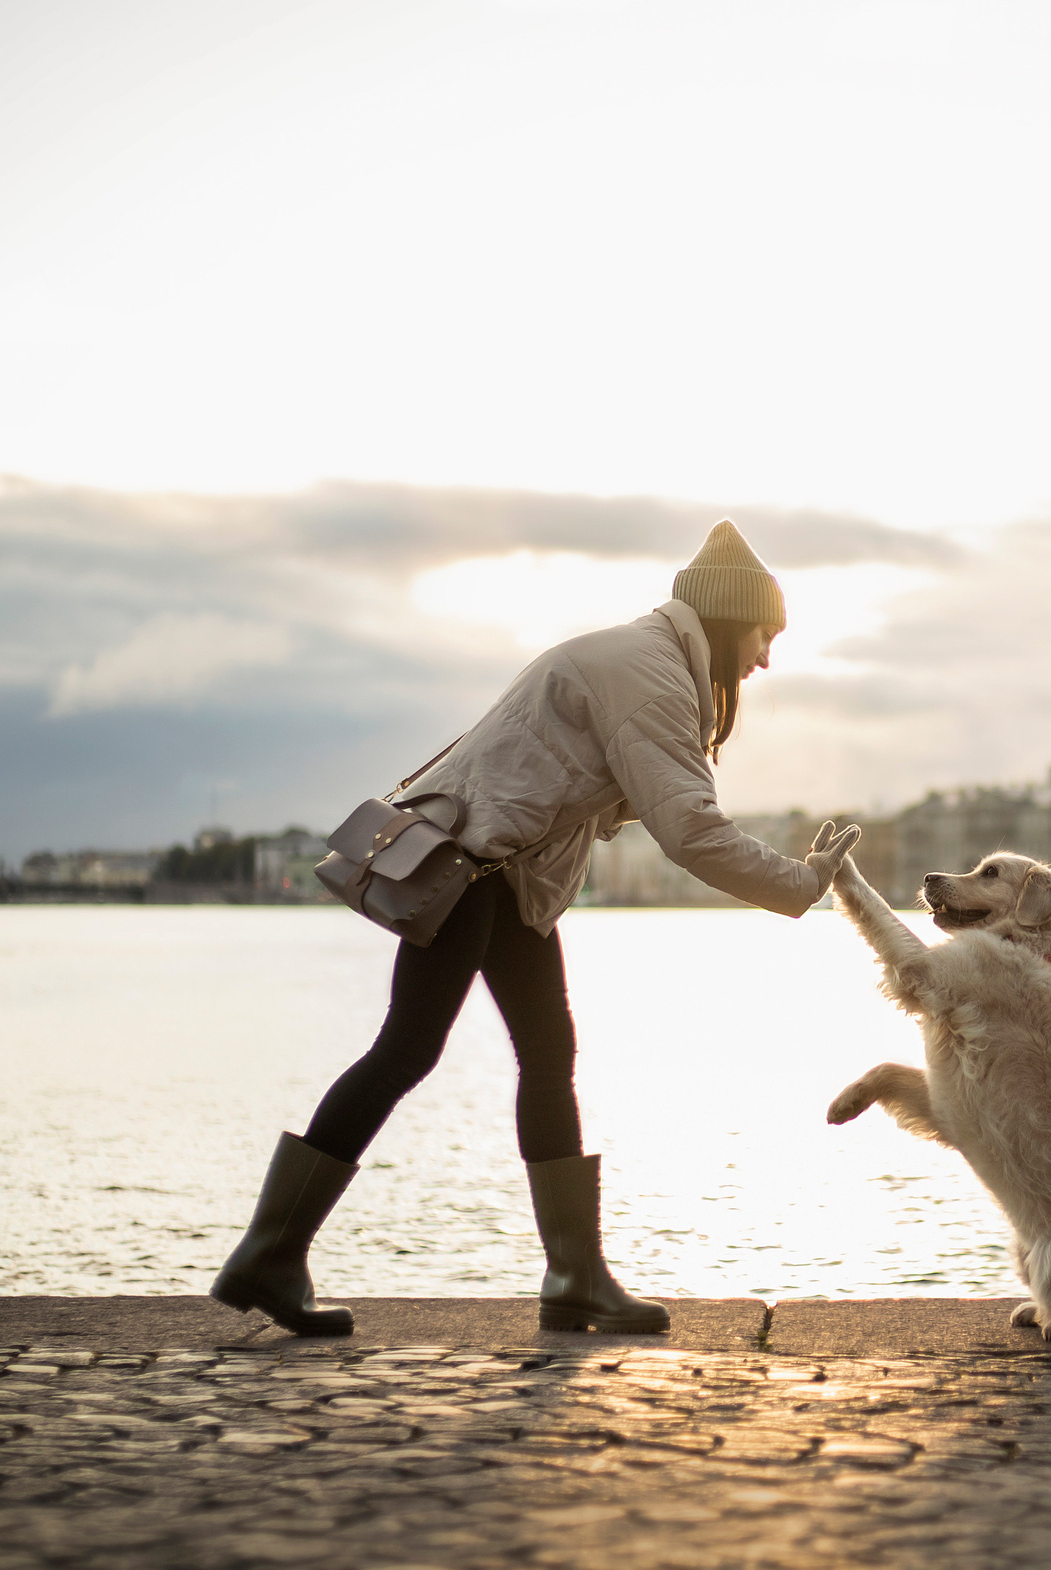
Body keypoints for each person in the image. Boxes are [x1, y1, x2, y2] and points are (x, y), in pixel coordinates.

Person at [211, 522, 861, 1336]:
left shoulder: (645, 659)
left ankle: (573, 1275)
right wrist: (802, 882)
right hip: (475, 869)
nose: (765, 658)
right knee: (408, 1050)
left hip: (502, 876)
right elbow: (692, 831)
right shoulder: (651, 675)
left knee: (543, 1055)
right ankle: (272, 1251)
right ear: (732, 621)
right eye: (765, 636)